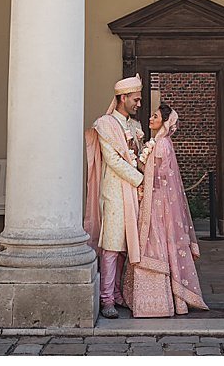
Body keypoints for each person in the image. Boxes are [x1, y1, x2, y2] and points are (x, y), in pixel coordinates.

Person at [123, 103, 209, 317]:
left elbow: (162, 176)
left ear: (163, 122)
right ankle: (166, 299)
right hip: (154, 199)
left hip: (158, 202)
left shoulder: (161, 145)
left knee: (155, 240)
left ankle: (163, 301)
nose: (150, 119)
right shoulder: (158, 143)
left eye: (155, 116)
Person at [84, 75, 145, 319]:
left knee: (125, 247)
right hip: (114, 191)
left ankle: (119, 294)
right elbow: (113, 161)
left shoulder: (135, 127)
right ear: (122, 98)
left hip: (132, 191)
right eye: (136, 99)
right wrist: (142, 179)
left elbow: (138, 157)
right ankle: (106, 298)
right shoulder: (105, 124)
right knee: (111, 245)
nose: (139, 104)